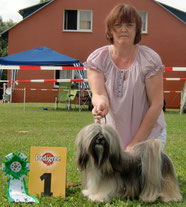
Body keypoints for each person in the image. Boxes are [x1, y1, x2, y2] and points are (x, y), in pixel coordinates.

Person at [84, 4, 167, 151]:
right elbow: (98, 94)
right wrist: (100, 105)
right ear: (110, 29)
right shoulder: (97, 59)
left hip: (148, 136)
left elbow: (157, 104)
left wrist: (135, 144)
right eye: (118, 25)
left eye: (129, 25)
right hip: (110, 137)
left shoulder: (150, 60)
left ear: (137, 30)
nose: (123, 29)